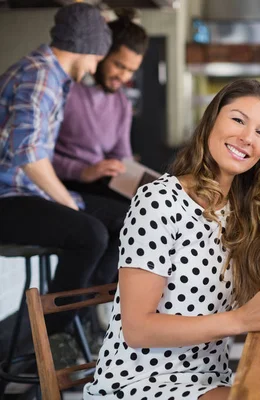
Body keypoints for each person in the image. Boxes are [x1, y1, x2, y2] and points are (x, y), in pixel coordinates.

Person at [84, 79, 260, 400]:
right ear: (211, 120)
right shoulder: (158, 200)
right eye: (238, 120)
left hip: (210, 380)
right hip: (140, 383)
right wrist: (239, 319)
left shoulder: (241, 212)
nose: (246, 138)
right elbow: (137, 329)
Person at [0, 3, 118, 334]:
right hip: (7, 198)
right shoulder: (40, 75)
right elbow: (28, 153)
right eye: (97, 57)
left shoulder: (52, 77)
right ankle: (53, 340)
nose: (95, 68)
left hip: (26, 193)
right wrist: (66, 202)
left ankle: (84, 317)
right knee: (90, 233)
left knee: (127, 219)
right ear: (85, 47)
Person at [53, 8, 149, 203]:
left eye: (131, 70)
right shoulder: (64, 90)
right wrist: (83, 171)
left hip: (99, 184)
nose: (124, 77)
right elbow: (36, 157)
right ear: (101, 53)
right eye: (119, 66)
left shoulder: (121, 103)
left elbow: (123, 158)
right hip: (63, 184)